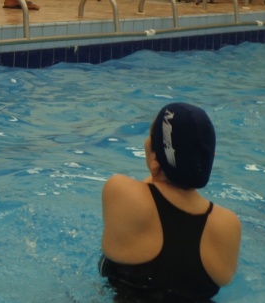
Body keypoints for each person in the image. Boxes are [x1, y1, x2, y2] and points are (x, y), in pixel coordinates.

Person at [99, 102, 241, 301]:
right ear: (210, 159)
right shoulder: (228, 226)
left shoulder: (120, 191)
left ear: (154, 156)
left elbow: (152, 190)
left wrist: (157, 165)